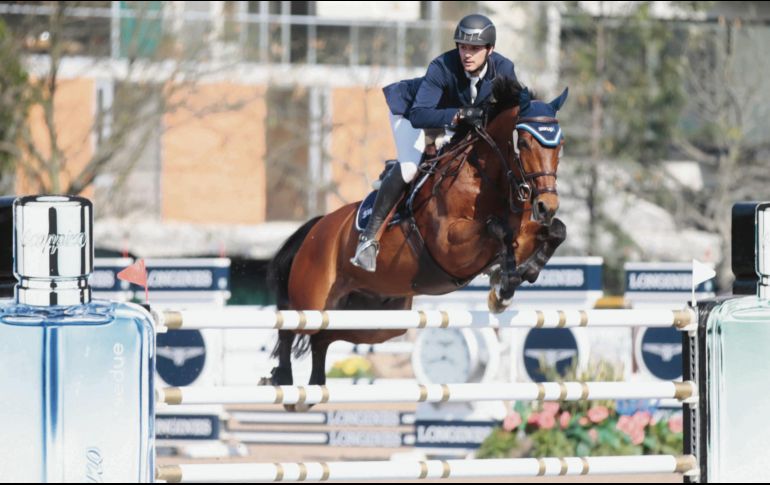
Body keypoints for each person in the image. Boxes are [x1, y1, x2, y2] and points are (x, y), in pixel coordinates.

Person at [351, 13, 518, 272]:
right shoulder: (442, 66)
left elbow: (513, 110)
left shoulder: (504, 70)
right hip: (410, 113)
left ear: (490, 50)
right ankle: (368, 239)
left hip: (451, 122)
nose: (467, 55)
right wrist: (460, 114)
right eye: (463, 47)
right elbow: (420, 115)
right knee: (410, 168)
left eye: (474, 49)